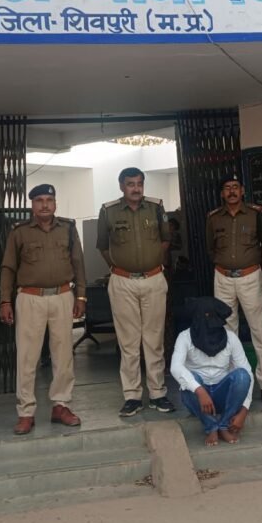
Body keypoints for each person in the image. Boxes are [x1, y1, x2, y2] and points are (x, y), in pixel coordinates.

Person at [0, 183, 86, 435]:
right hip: (30, 298)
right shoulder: (20, 232)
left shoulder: (68, 229)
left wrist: (81, 296)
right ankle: (26, 412)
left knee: (63, 355)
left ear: (55, 203)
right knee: (27, 357)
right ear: (32, 205)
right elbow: (8, 267)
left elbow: (78, 263)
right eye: (39, 200)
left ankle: (61, 405)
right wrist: (5, 301)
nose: (45, 205)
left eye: (49, 200)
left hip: (62, 295)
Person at [97, 167, 174, 417]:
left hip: (153, 279)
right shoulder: (108, 211)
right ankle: (132, 396)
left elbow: (165, 240)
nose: (136, 188)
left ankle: (158, 393)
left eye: (139, 183)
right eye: (130, 184)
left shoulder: (155, 207)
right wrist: (119, 267)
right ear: (121, 186)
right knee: (128, 342)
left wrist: (152, 260)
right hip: (123, 282)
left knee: (154, 339)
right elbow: (102, 246)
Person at [206, 174, 262, 406]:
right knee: (227, 332)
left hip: (250, 277)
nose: (232, 191)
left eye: (236, 187)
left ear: (243, 191)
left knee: (259, 329)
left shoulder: (256, 214)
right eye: (227, 188)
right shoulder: (214, 218)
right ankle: (233, 382)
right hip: (223, 277)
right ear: (222, 193)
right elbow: (210, 249)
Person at [171, 297, 254, 447]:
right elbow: (175, 367)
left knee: (242, 375)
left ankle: (223, 425)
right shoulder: (184, 337)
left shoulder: (231, 338)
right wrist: (200, 390)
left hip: (223, 396)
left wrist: (244, 411)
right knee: (188, 382)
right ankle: (211, 427)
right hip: (198, 400)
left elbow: (247, 371)